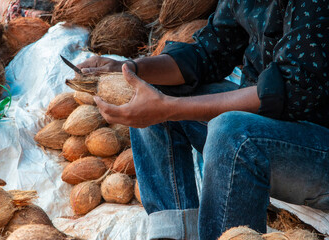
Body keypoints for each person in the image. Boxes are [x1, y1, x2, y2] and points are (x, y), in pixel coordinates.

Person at [77, 0, 329, 239]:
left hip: (317, 147)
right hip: (270, 129)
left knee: (232, 133)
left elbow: (293, 89)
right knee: (153, 89)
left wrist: (170, 109)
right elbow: (208, 53)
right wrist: (130, 69)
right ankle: (175, 235)